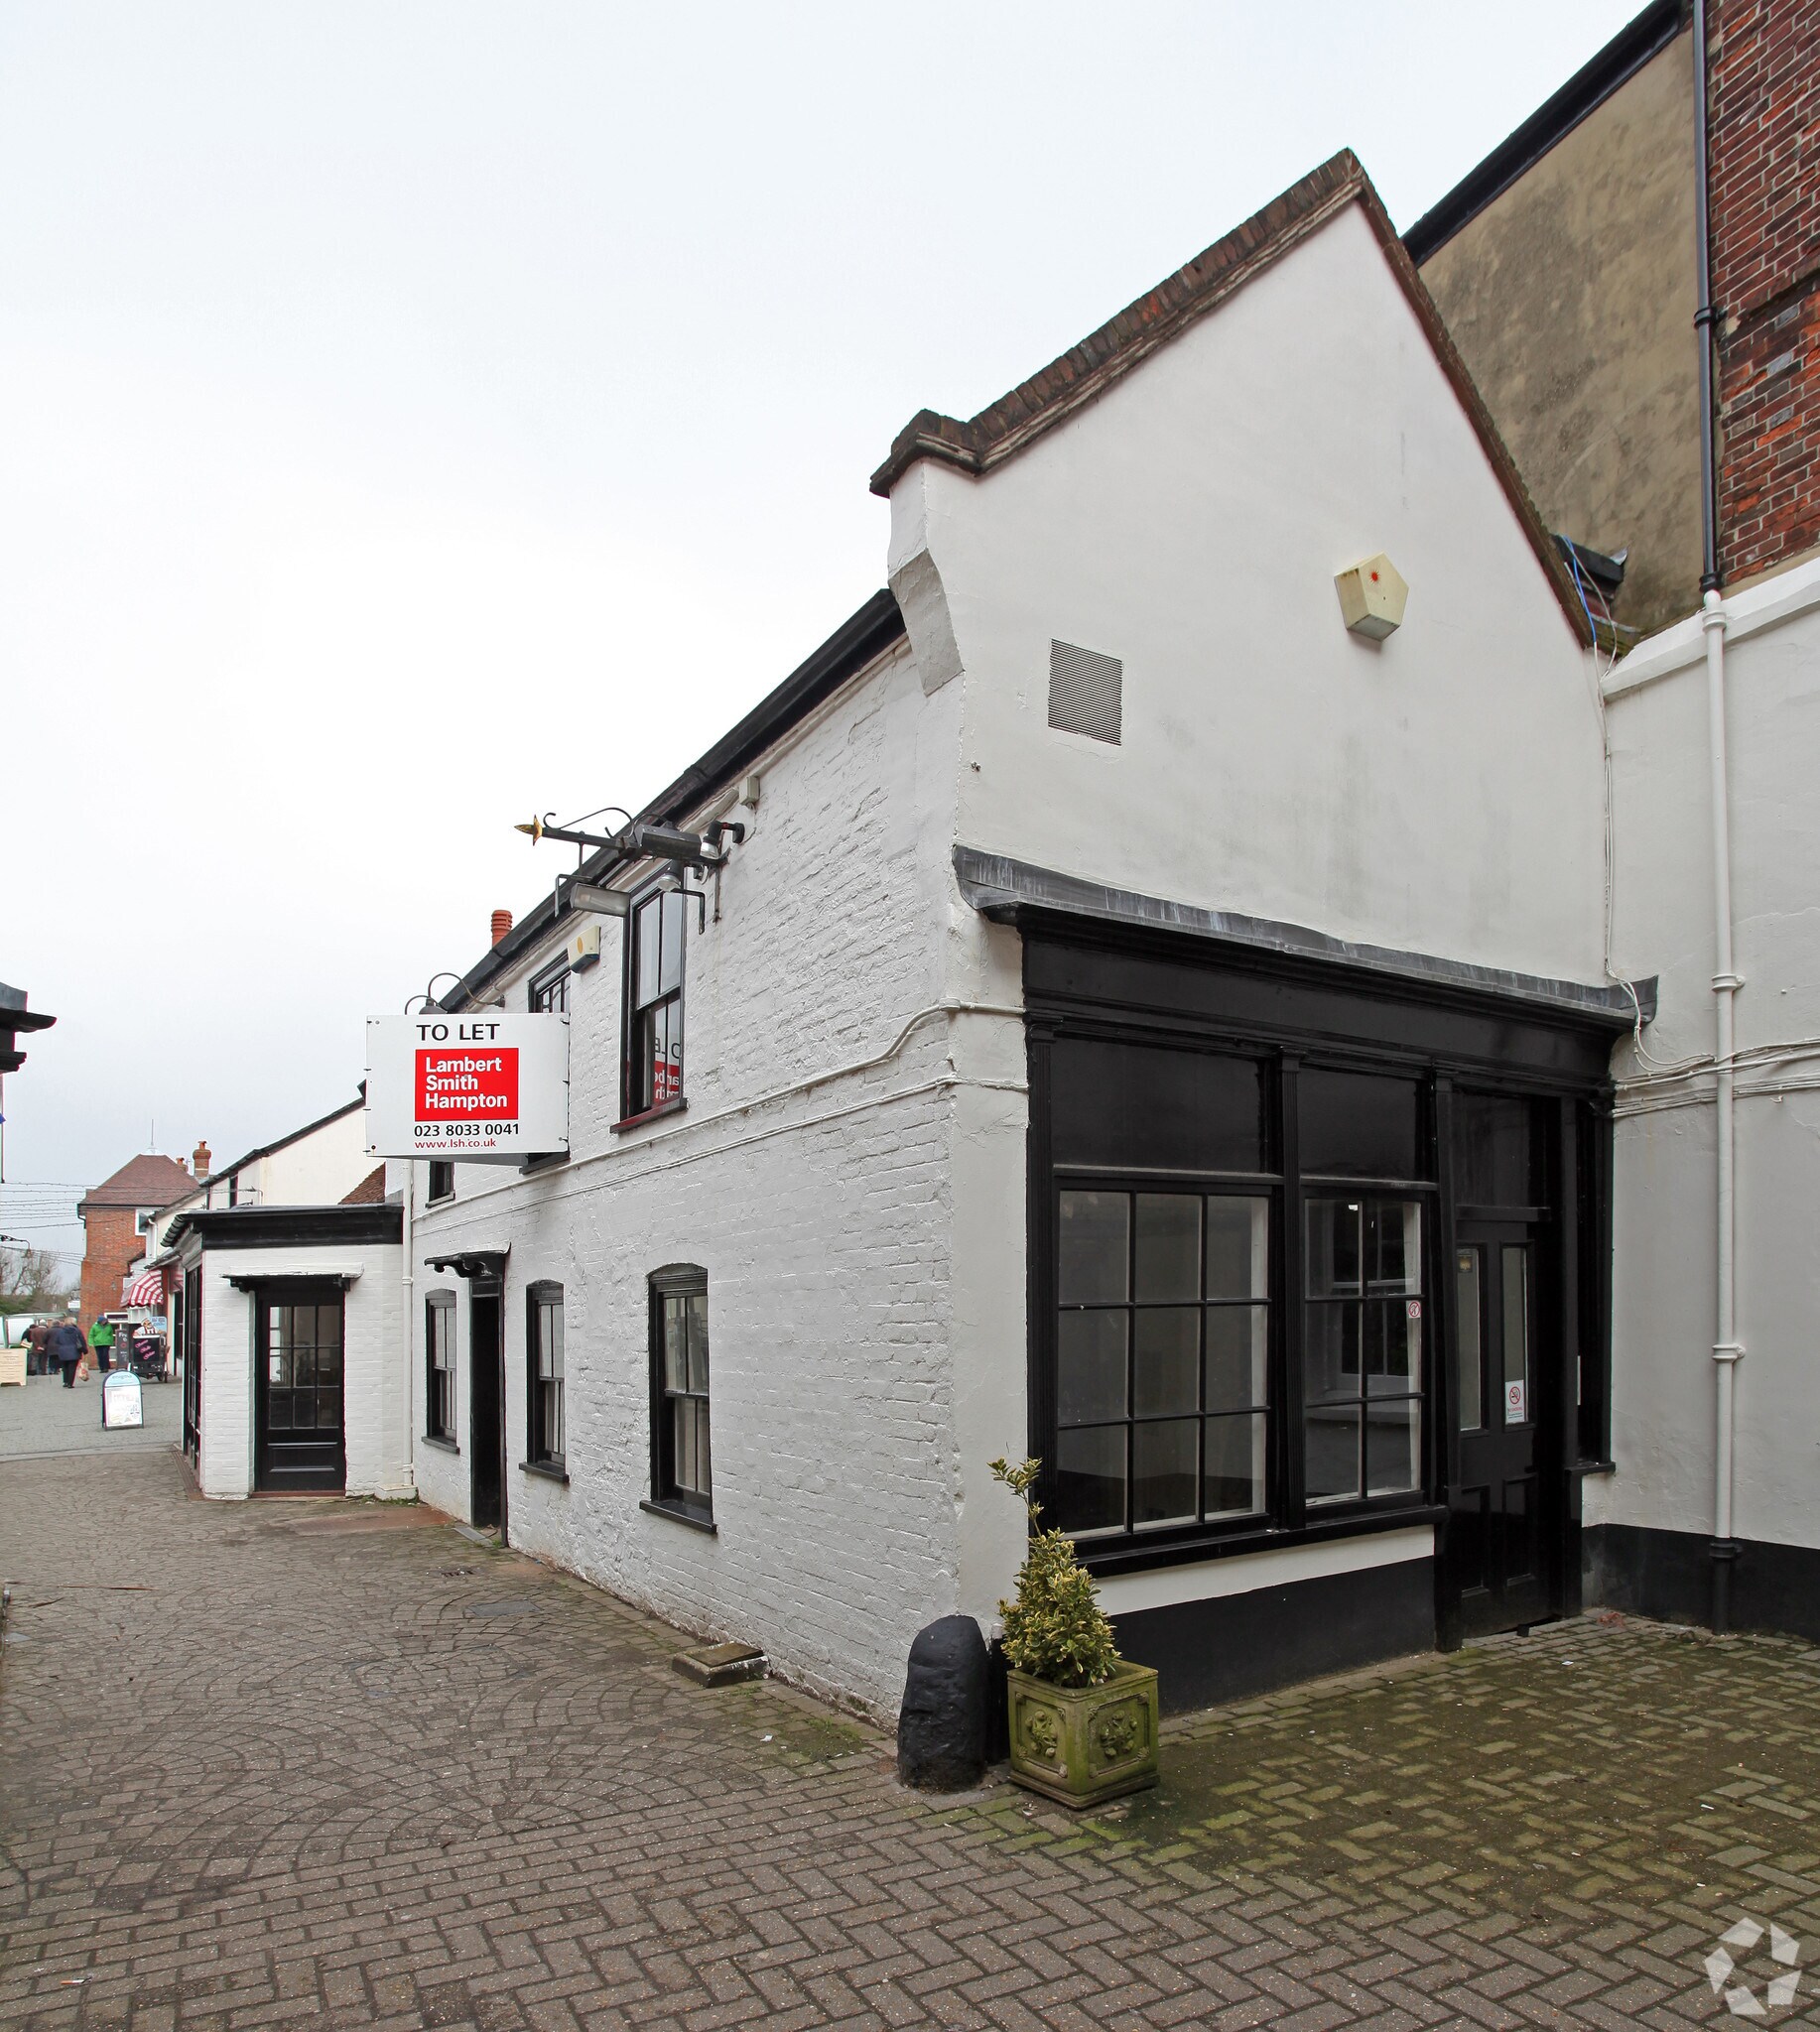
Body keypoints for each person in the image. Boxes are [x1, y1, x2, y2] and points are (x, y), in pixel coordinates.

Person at [49, 1316, 84, 1388]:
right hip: (74, 1351)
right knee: (72, 1368)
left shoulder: (61, 1331)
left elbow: (57, 1341)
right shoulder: (77, 1331)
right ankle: (70, 1383)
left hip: (63, 1351)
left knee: (65, 1367)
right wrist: (84, 1350)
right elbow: (82, 1341)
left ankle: (65, 1382)